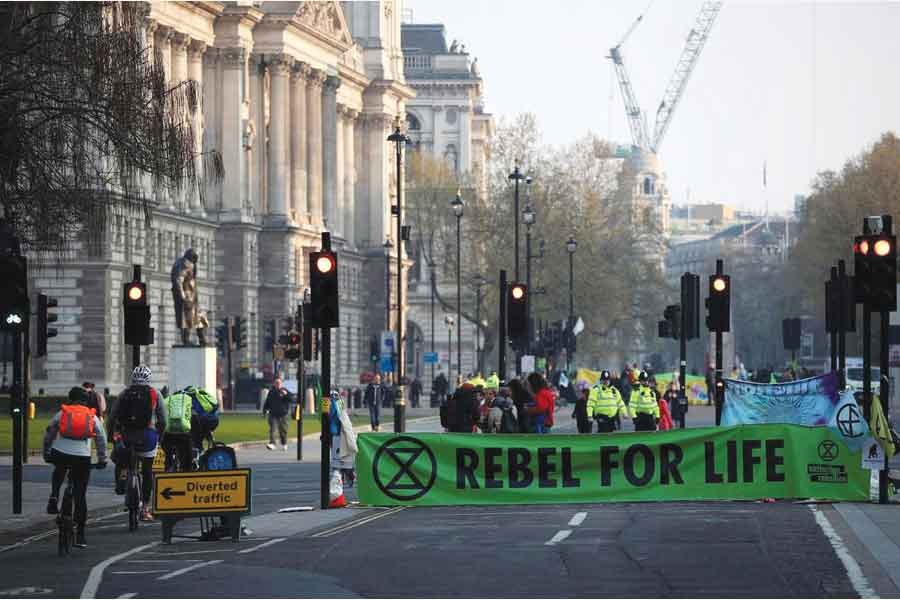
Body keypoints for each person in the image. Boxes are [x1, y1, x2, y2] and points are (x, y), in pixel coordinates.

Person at [44, 387, 108, 548]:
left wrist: (47, 452)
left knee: (59, 469)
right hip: (82, 457)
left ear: (70, 399)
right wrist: (102, 459)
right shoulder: (92, 416)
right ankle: (80, 535)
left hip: (60, 453)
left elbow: (50, 434)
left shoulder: (62, 413)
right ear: (85, 401)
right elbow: (101, 439)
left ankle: (54, 496)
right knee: (80, 495)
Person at [113, 365, 165, 522]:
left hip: (127, 435)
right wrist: (160, 436)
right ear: (149, 379)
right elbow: (163, 420)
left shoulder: (124, 393)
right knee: (148, 471)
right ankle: (145, 508)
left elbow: (113, 416)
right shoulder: (155, 394)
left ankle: (122, 477)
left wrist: (113, 436)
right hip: (148, 436)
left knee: (120, 457)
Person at [262, 377, 292, 450]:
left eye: (279, 383)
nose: (277, 384)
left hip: (283, 414)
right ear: (274, 384)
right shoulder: (271, 392)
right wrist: (264, 411)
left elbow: (291, 399)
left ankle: (284, 443)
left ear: (281, 383)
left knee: (283, 430)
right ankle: (272, 443)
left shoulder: (285, 391)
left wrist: (286, 395)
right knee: (273, 429)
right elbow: (267, 402)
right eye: (276, 383)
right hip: (273, 414)